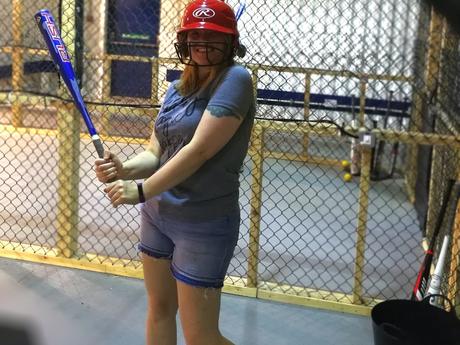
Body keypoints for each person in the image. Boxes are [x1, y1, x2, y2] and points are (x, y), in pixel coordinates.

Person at [94, 1, 255, 344]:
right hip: (157, 215)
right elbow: (156, 153)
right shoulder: (175, 89)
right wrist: (123, 168)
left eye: (212, 37)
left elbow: (198, 151)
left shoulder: (236, 79)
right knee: (160, 310)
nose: (202, 44)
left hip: (204, 221)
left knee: (200, 337)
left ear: (230, 43)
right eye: (195, 35)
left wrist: (139, 191)